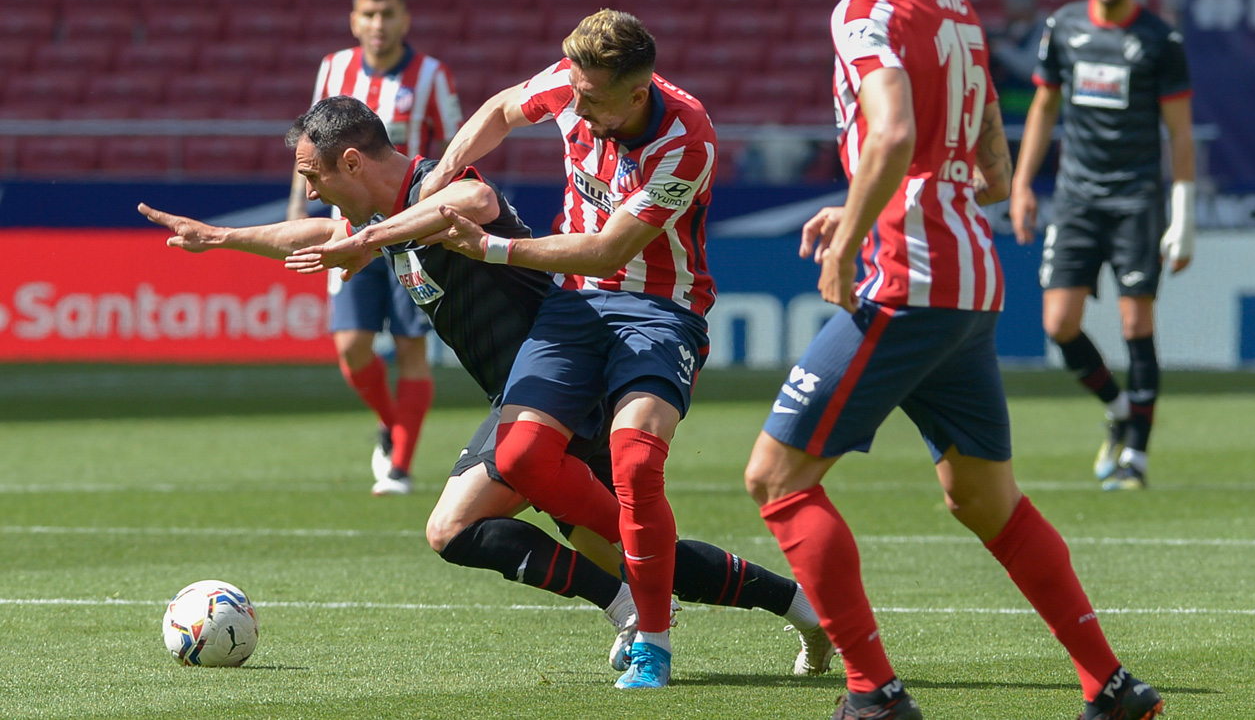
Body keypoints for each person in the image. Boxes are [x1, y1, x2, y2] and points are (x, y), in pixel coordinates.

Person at [142, 95, 832, 680]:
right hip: (525, 401)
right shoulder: (382, 223)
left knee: (460, 527)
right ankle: (797, 608)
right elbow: (323, 231)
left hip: (567, 391)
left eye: (312, 175)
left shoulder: (440, 191)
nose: (311, 189)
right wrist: (220, 238)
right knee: (633, 546)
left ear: (350, 161)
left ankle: (641, 609)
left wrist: (371, 238)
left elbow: (471, 198)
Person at [742, 0, 1165, 720]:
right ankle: (1111, 686)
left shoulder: (864, 9)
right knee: (983, 497)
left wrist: (859, 229)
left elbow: (894, 130)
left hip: (906, 278)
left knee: (777, 479)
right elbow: (987, 159)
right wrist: (889, 196)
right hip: (971, 279)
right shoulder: (957, 4)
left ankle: (874, 694)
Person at [374, 9, 714, 689]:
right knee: (523, 455)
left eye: (593, 99)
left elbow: (611, 247)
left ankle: (653, 638)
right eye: (575, 92)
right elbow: (502, 108)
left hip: (659, 310)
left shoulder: (687, 140)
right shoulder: (572, 80)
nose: (577, 107)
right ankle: (652, 555)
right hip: (576, 307)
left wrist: (496, 249)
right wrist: (444, 169)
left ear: (637, 91)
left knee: (636, 460)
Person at [1009, 0, 1195, 491]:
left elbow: (1180, 134)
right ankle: (1118, 408)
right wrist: (1021, 186)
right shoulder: (1063, 28)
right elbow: (1043, 108)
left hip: (1136, 197)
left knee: (1136, 321)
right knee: (1058, 323)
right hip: (1076, 197)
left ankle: (1135, 454)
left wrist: (1183, 215)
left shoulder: (1160, 41)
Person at [286, 0, 465, 496]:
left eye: (388, 15)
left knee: (411, 345)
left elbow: (455, 149)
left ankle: (400, 467)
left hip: (408, 225)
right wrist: (301, 208)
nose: (378, 25)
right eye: (368, 14)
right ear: (354, 20)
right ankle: (394, 424)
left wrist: (436, 212)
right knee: (352, 347)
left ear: (405, 20)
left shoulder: (432, 75)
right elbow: (309, 146)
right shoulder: (333, 69)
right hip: (349, 224)